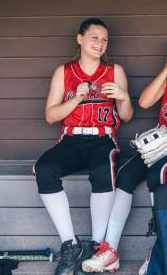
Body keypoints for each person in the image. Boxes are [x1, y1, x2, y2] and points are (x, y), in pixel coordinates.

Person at [82, 34, 167, 273]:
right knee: (125, 175)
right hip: (160, 144)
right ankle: (110, 250)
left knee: (159, 175)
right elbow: (144, 102)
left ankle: (158, 250)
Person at [34, 18, 134, 275]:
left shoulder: (114, 71)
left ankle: (97, 247)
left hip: (103, 138)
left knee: (103, 168)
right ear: (80, 39)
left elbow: (126, 116)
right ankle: (70, 245)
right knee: (44, 168)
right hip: (72, 138)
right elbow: (51, 115)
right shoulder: (64, 72)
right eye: (94, 38)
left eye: (104, 40)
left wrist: (122, 97)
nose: (100, 44)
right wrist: (77, 98)